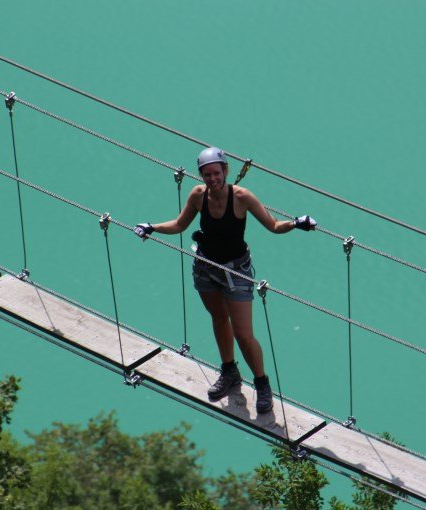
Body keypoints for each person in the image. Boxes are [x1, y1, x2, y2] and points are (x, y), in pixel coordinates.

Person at [135, 147, 316, 414]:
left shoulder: (242, 197)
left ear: (226, 171)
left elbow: (273, 226)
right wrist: (152, 228)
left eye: (216, 173)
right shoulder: (198, 195)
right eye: (207, 175)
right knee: (219, 320)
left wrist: (296, 223)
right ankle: (229, 372)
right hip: (206, 268)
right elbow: (180, 224)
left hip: (237, 271)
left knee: (243, 333)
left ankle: (262, 384)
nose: (212, 179)